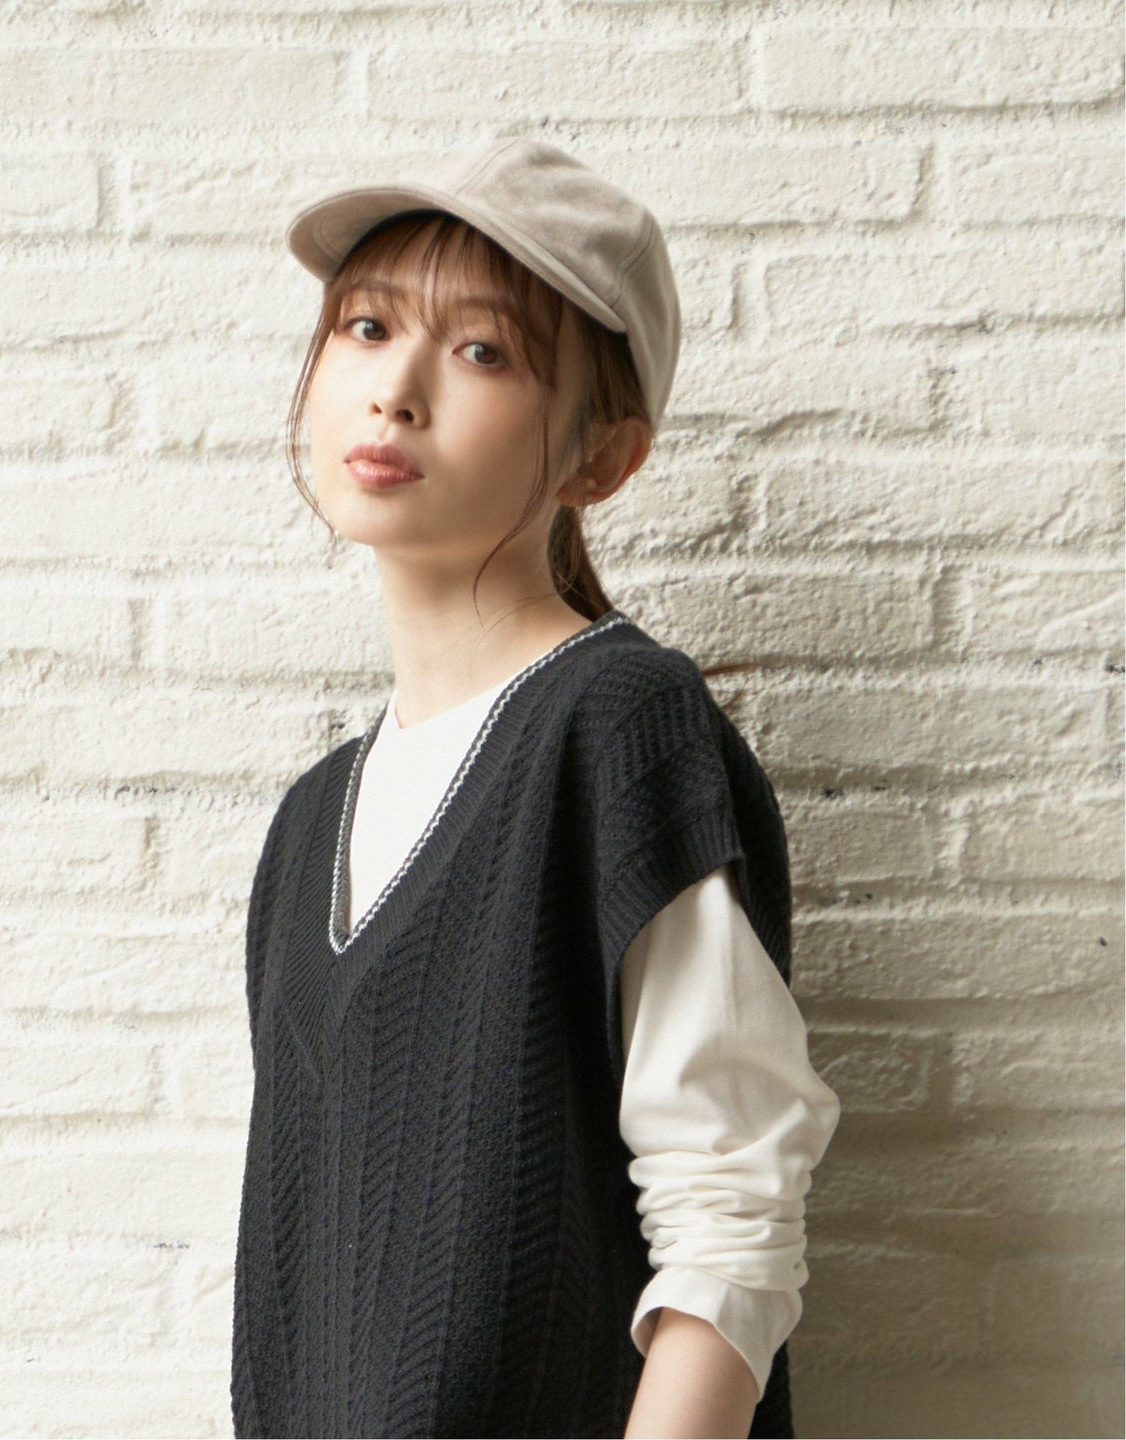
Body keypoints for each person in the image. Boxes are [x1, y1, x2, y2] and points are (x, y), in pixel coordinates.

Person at [231, 137, 841, 1440]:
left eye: (482, 351)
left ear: (599, 459)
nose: (395, 390)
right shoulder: (308, 824)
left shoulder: (615, 727)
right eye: (366, 326)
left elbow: (732, 1215)